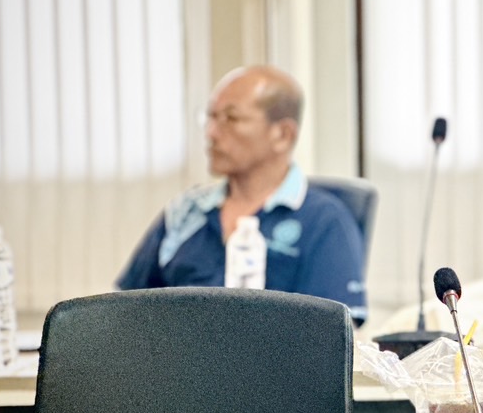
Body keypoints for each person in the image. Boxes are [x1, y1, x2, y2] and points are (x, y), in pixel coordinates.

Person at [116, 65, 367, 322]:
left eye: (231, 118)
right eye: (211, 117)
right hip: (174, 345)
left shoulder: (324, 221)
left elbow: (333, 331)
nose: (211, 133)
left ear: (283, 135)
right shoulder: (186, 211)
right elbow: (125, 310)